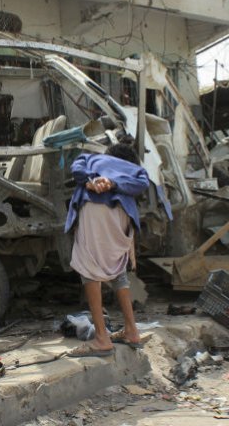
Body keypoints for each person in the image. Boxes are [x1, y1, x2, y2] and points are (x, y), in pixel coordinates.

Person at [64, 142, 150, 357]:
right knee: (118, 268)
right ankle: (131, 331)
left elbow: (76, 168)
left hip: (95, 209)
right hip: (121, 214)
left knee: (89, 268)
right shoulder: (135, 170)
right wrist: (113, 183)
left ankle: (102, 338)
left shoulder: (90, 158)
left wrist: (92, 180)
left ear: (108, 155)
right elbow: (143, 183)